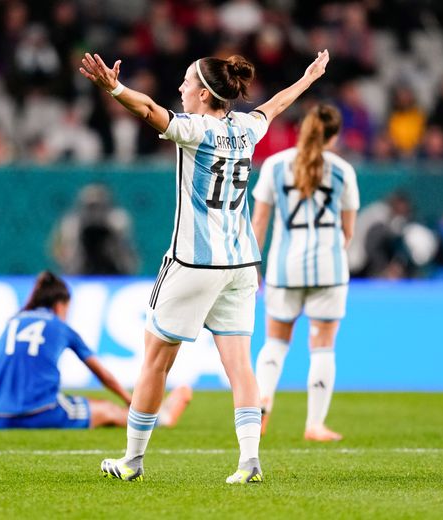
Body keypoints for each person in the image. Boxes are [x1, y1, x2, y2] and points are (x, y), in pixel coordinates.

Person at [79, 48, 330, 483]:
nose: (180, 87)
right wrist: (307, 79)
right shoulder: (248, 130)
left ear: (204, 94)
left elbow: (148, 109)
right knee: (240, 364)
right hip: (239, 263)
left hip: (193, 262)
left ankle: (132, 461)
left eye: (186, 82)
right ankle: (249, 462)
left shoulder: (196, 130)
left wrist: (113, 88)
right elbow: (276, 105)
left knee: (155, 362)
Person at [250, 104, 360, 443]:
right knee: (323, 346)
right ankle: (314, 425)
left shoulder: (275, 165)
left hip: (285, 267)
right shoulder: (342, 171)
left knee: (275, 342)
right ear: (335, 135)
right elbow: (348, 231)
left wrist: (254, 266)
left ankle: (262, 402)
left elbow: (260, 222)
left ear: (302, 129)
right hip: (329, 267)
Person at [0, 271, 192, 429]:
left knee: (80, 403)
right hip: (39, 412)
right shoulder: (60, 327)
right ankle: (160, 419)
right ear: (60, 305)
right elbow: (103, 375)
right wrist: (131, 401)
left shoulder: (13, 321)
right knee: (107, 409)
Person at [51, 184, 139, 275]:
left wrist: (116, 235)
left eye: (99, 206)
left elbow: (130, 260)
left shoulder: (117, 221)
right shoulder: (72, 224)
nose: (95, 212)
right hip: (79, 272)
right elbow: (59, 253)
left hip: (113, 272)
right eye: (91, 206)